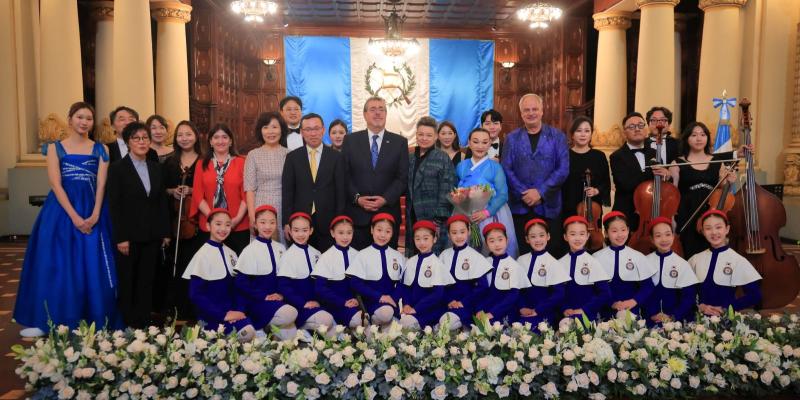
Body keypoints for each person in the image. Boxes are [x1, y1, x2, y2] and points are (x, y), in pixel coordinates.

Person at [14, 102, 123, 337]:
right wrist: (74, 216)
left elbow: (102, 184)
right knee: (56, 265)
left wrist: (94, 215)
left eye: (89, 118)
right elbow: (55, 183)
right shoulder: (54, 148)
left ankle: (96, 320)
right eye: (80, 117)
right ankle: (46, 321)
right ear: (70, 119)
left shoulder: (101, 149)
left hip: (94, 210)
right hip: (61, 213)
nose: (84, 122)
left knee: (91, 265)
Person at [107, 121, 171, 328]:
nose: (142, 142)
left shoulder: (155, 168)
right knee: (128, 280)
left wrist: (165, 232)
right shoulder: (117, 169)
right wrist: (121, 237)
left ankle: (144, 321)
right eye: (137, 138)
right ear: (128, 142)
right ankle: (128, 322)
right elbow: (115, 206)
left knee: (147, 280)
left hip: (152, 235)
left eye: (145, 138)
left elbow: (161, 201)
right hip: (129, 237)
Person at [502, 94, 569, 257]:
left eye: (535, 109)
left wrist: (540, 192)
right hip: (520, 205)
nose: (531, 113)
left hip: (549, 204)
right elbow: (506, 169)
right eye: (527, 110)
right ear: (521, 113)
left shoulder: (558, 136)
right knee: (523, 253)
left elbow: (563, 169)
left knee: (551, 251)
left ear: (542, 111)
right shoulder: (511, 138)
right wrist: (525, 193)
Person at [342, 96, 409, 249]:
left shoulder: (400, 142)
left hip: (387, 215)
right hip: (357, 216)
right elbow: (344, 176)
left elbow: (402, 178)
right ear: (365, 114)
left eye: (381, 109)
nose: (377, 113)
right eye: (373, 109)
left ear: (386, 114)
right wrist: (357, 199)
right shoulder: (350, 141)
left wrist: (385, 199)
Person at [182, 208, 256, 342]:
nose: (223, 228)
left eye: (228, 225)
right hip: (212, 316)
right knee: (247, 332)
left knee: (252, 328)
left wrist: (239, 311)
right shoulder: (202, 255)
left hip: (233, 313)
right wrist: (223, 315)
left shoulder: (232, 253)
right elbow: (195, 294)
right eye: (218, 224)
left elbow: (238, 288)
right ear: (208, 225)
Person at [673, 122, 738, 259]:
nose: (699, 138)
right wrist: (672, 219)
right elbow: (672, 195)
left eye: (703, 135)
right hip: (686, 214)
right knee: (689, 254)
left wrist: (729, 182)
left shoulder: (717, 162)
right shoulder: (676, 163)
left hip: (711, 214)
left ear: (707, 138)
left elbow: (722, 189)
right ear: (686, 139)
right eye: (694, 135)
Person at [282, 113, 346, 251]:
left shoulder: (336, 157)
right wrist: (287, 221)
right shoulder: (292, 157)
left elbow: (341, 191)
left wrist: (340, 221)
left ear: (323, 130)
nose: (313, 133)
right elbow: (287, 192)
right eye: (308, 129)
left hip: (329, 222)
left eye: (316, 128)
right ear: (301, 132)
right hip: (300, 223)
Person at [235, 205, 299, 341]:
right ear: (255, 224)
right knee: (291, 313)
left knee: (291, 339)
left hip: (279, 300)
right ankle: (259, 326)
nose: (268, 226)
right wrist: (264, 296)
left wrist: (281, 294)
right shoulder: (249, 250)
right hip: (258, 301)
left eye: (272, 222)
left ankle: (269, 328)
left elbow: (286, 279)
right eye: (263, 222)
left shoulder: (281, 248)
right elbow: (241, 284)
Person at [162, 120, 203, 320]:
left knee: (194, 266)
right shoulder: (170, 162)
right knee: (174, 266)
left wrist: (192, 191)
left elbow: (210, 189)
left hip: (195, 222)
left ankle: (193, 309)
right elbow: (161, 189)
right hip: (174, 221)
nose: (184, 138)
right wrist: (173, 191)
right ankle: (174, 309)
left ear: (196, 136)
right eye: (180, 135)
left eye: (188, 134)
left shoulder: (204, 161)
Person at [456, 128, 518, 257]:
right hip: (467, 213)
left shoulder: (495, 167)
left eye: (484, 142)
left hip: (491, 214)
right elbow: (458, 191)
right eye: (476, 141)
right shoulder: (461, 166)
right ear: (469, 143)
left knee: (492, 250)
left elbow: (503, 194)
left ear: (490, 144)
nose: (480, 146)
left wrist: (486, 212)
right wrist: (465, 206)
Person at [689, 209, 762, 316]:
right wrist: (700, 306)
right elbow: (685, 293)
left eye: (718, 227)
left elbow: (755, 295)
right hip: (698, 318)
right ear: (703, 232)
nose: (714, 232)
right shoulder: (695, 259)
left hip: (726, 319)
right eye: (708, 228)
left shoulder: (738, 260)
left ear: (727, 229)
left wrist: (727, 308)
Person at [190, 124, 249, 253]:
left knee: (237, 266)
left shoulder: (242, 162)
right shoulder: (201, 164)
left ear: (231, 141)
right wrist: (213, 218)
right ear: (210, 142)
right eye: (216, 137)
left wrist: (236, 219)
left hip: (238, 224)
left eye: (224, 137)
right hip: (209, 224)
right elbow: (198, 195)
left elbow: (247, 194)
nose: (220, 141)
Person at [277, 212, 336, 337]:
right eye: (296, 230)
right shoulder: (288, 256)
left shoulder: (317, 253)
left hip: (318, 304)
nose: (300, 234)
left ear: (311, 231)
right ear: (290, 231)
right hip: (300, 306)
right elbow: (284, 287)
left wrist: (320, 301)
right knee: (326, 321)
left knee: (335, 334)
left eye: (304, 230)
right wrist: (303, 303)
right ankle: (302, 327)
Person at [610, 112, 669, 231]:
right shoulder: (616, 157)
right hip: (628, 213)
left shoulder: (655, 153)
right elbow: (626, 184)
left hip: (653, 209)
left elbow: (662, 185)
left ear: (646, 129)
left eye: (640, 125)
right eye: (632, 127)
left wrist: (666, 176)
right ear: (624, 132)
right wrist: (652, 173)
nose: (637, 129)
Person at [405, 116, 456, 256]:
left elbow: (448, 189)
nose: (424, 138)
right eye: (420, 134)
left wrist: (438, 220)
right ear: (416, 135)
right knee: (415, 255)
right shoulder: (410, 157)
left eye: (429, 135)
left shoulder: (442, 158)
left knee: (433, 257)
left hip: (433, 218)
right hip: (412, 214)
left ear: (435, 138)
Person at [593, 211, 657, 320]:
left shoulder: (637, 256)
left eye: (623, 230)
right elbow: (594, 289)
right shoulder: (596, 257)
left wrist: (633, 301)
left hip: (631, 309)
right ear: (606, 233)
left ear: (628, 230)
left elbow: (648, 286)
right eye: (614, 231)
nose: (620, 235)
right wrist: (611, 303)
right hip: (604, 309)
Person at [345, 213, 404, 329]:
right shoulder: (363, 254)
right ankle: (374, 322)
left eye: (388, 231)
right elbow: (355, 283)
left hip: (392, 302)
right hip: (372, 301)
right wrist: (379, 297)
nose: (383, 235)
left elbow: (402, 283)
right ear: (372, 230)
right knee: (386, 314)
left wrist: (393, 298)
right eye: (379, 230)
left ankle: (381, 327)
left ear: (392, 233)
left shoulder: (397, 255)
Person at [397, 220, 458, 330]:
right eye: (418, 239)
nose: (422, 243)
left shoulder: (437, 263)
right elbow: (406, 287)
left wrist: (416, 309)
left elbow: (437, 294)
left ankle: (432, 327)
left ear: (434, 239)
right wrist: (406, 304)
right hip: (411, 308)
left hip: (430, 310)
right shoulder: (411, 261)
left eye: (426, 238)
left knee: (404, 325)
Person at [439, 214, 493, 331]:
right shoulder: (444, 255)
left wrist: (463, 301)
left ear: (469, 231)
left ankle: (464, 329)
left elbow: (482, 287)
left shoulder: (475, 256)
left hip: (467, 303)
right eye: (454, 233)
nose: (459, 236)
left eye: (462, 232)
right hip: (445, 302)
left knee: (445, 323)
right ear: (448, 235)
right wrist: (449, 300)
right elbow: (438, 284)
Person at [516, 218, 569, 330]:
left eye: (541, 235)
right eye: (533, 236)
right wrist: (521, 307)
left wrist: (538, 310)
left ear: (548, 236)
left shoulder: (554, 263)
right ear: (527, 239)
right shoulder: (521, 260)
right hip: (523, 310)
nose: (538, 240)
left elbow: (558, 294)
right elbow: (517, 289)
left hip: (544, 312)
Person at [644, 217, 699, 324]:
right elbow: (641, 292)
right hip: (649, 318)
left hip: (675, 320)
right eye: (658, 235)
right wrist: (651, 314)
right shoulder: (645, 261)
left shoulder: (682, 264)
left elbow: (688, 298)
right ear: (651, 239)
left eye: (668, 234)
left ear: (673, 236)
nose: (664, 239)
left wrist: (673, 316)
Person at [245, 112, 289, 243]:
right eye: (265, 127)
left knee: (282, 248)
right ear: (260, 131)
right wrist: (252, 216)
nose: (270, 131)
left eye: (274, 127)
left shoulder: (289, 154)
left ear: (282, 129)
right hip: (260, 207)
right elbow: (249, 189)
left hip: (282, 207)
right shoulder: (253, 155)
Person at [473, 222, 530, 324]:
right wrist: (479, 309)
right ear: (486, 244)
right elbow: (479, 291)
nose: (497, 244)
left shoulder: (514, 265)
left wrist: (492, 313)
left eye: (500, 239)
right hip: (484, 309)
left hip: (504, 310)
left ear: (506, 240)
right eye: (492, 241)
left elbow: (513, 296)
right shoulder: (484, 263)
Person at [558, 216, 611, 323]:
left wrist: (584, 310)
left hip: (589, 314)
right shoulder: (559, 263)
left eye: (582, 234)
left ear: (587, 236)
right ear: (565, 236)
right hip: (566, 315)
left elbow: (605, 293)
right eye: (573, 234)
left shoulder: (593, 262)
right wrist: (564, 308)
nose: (577, 238)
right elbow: (557, 293)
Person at [312, 215, 361, 328]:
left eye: (349, 233)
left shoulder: (358, 255)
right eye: (341, 233)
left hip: (354, 303)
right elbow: (320, 288)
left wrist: (357, 300)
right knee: (359, 321)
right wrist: (342, 301)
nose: (345, 237)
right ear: (332, 233)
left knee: (365, 323)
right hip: (334, 303)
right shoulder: (326, 257)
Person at [560, 117, 610, 226]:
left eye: (587, 131)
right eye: (579, 130)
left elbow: (606, 182)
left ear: (591, 134)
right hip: (568, 206)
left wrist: (596, 190)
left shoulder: (599, 156)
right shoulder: (564, 155)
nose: (583, 134)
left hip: (592, 208)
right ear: (572, 134)